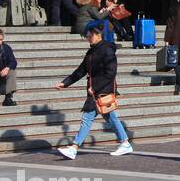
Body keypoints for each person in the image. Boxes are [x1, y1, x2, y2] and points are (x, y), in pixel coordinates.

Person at [54, 20, 132, 158]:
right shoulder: (92, 51)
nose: (87, 38)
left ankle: (74, 147)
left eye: (89, 36)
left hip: (102, 90)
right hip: (96, 90)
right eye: (87, 36)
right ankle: (125, 143)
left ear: (97, 35)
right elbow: (80, 71)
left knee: (88, 118)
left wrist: (94, 88)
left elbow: (111, 73)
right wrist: (65, 83)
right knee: (111, 118)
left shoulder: (107, 50)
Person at [0, 28, 17, 106]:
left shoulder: (6, 48)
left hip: (3, 74)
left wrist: (7, 68)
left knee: (11, 71)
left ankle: (8, 98)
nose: (0, 42)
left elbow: (13, 62)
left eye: (1, 39)